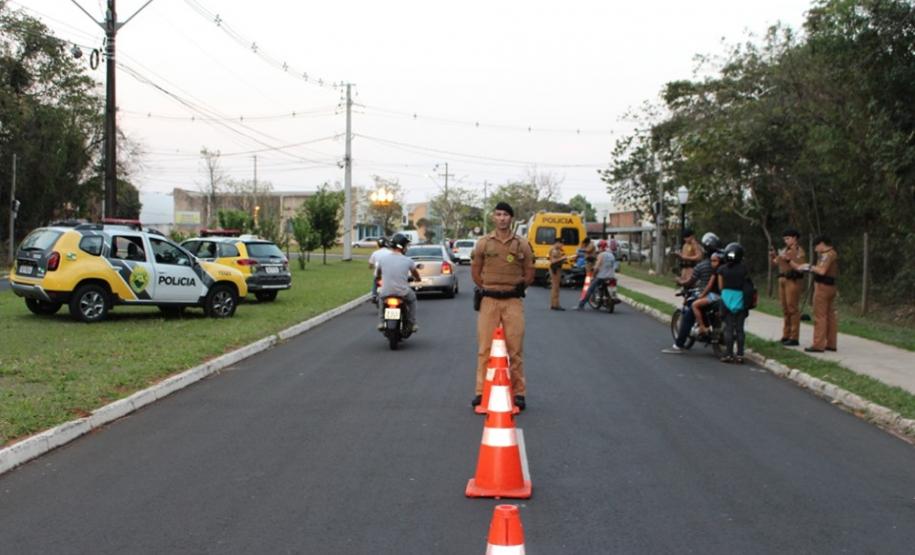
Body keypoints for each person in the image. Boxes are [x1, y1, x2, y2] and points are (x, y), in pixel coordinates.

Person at [471, 201, 534, 410]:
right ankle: (481, 392)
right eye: (498, 214)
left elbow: (529, 272)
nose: (501, 218)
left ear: (511, 218)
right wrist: (489, 287)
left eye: (505, 215)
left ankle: (519, 393)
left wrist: (516, 288)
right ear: (493, 217)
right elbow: (476, 272)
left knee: (515, 349)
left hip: (512, 301)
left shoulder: (522, 244)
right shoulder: (483, 243)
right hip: (489, 300)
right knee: (485, 349)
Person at [663, 231, 721, 354]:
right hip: (721, 295)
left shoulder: (702, 266)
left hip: (707, 294)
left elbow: (691, 282)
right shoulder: (723, 265)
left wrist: (680, 281)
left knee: (689, 314)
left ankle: (680, 344)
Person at [793, 235, 838, 353]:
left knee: (820, 316)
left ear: (822, 244)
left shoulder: (827, 255)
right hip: (831, 287)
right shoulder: (832, 253)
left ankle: (818, 344)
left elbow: (822, 270)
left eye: (816, 246)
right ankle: (831, 343)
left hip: (822, 287)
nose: (815, 249)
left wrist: (809, 267)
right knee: (830, 315)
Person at [376, 233, 421, 333]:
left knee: (380, 299)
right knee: (413, 299)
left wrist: (379, 278)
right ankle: (412, 323)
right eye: (406, 245)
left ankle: (381, 322)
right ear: (402, 246)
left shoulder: (382, 259)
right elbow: (415, 274)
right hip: (403, 293)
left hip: (386, 292)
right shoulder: (408, 260)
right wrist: (418, 279)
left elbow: (378, 274)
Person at [770, 228, 806, 346]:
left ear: (795, 238)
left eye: (788, 238)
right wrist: (773, 256)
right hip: (782, 279)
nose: (786, 241)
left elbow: (800, 267)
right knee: (785, 309)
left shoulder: (799, 251)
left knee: (792, 308)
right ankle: (786, 335)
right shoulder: (785, 250)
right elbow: (776, 263)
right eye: (784, 239)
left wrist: (787, 259)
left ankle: (794, 337)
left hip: (793, 280)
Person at [718, 242, 750, 363]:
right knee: (740, 329)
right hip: (740, 299)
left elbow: (720, 287)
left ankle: (728, 354)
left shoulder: (722, 269)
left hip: (727, 299)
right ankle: (740, 354)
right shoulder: (744, 269)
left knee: (729, 328)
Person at [576, 240, 616, 310]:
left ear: (600, 247)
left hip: (601, 276)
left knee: (590, 289)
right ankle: (612, 297)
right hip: (611, 276)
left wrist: (593, 276)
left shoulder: (601, 255)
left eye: (599, 247)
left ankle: (581, 305)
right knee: (612, 287)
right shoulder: (611, 255)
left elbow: (596, 267)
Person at [691, 251, 723, 336]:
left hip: (715, 295)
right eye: (711, 261)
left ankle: (702, 327)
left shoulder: (717, 271)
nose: (712, 263)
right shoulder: (725, 269)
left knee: (695, 305)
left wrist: (702, 295)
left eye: (715, 261)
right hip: (722, 296)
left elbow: (709, 285)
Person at [368, 237, 392, 303]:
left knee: (375, 283)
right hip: (388, 274)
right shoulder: (390, 253)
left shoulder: (375, 253)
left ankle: (374, 295)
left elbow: (370, 264)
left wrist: (372, 267)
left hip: (378, 275)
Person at [548, 236, 568, 311]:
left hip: (557, 268)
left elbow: (557, 260)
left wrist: (563, 260)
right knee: (555, 287)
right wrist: (562, 258)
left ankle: (555, 304)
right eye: (561, 243)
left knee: (556, 287)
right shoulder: (554, 250)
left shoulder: (558, 250)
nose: (562, 245)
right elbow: (553, 261)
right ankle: (555, 305)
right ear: (557, 243)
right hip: (555, 269)